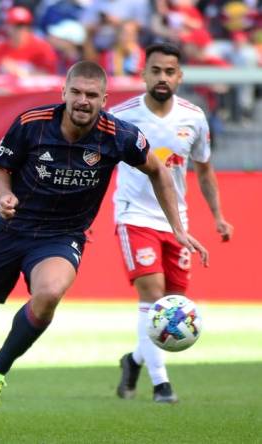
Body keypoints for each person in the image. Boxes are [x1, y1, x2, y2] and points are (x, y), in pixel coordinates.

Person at [0, 60, 208, 433]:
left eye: (91, 95)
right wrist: (4, 196)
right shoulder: (31, 124)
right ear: (63, 93)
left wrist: (177, 227)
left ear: (104, 99)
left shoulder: (120, 135)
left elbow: (158, 170)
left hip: (61, 236)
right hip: (9, 230)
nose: (83, 101)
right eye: (77, 93)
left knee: (49, 293)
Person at [112, 43, 233, 403]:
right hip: (134, 216)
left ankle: (133, 360)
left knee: (173, 304)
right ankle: (162, 385)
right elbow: (99, 167)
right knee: (152, 297)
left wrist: (218, 216)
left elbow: (204, 169)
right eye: (155, 70)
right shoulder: (120, 117)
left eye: (169, 71)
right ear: (143, 73)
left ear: (179, 76)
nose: (162, 77)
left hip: (176, 222)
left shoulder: (194, 117)